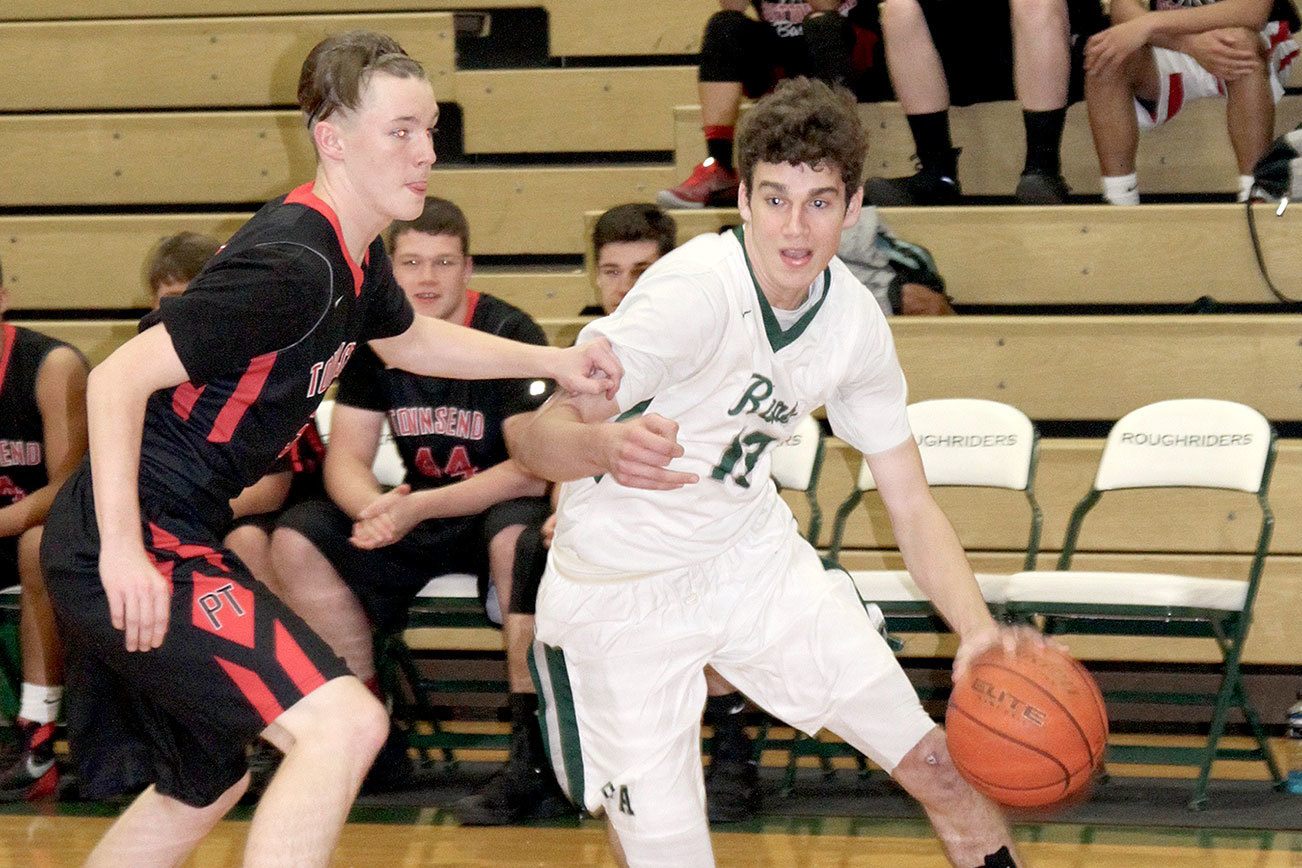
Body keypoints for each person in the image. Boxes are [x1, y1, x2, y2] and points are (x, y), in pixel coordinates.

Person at [38, 30, 620, 866]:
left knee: (204, 785)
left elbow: (414, 341)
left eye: (428, 130)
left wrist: (555, 359)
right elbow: (116, 379)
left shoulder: (351, 257)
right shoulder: (293, 266)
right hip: (133, 534)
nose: (424, 153)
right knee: (344, 724)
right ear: (333, 140)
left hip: (167, 529)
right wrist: (124, 552)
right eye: (400, 132)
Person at [506, 78, 1034, 866]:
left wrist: (978, 630)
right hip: (620, 595)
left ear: (853, 208)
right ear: (743, 200)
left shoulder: (854, 322)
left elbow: (911, 503)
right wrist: (603, 449)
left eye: (819, 202)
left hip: (750, 563)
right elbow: (530, 437)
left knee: (942, 767)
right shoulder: (689, 295)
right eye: (776, 198)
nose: (796, 226)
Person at [270, 196, 570, 821]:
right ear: (389, 269)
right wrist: (374, 509)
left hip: (494, 503)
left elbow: (532, 465)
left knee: (519, 544)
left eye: (443, 262)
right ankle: (369, 733)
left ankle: (532, 757)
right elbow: (346, 458)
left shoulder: (511, 334)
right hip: (416, 510)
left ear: (468, 269)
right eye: (411, 262)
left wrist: (415, 510)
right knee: (297, 540)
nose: (427, 278)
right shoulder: (373, 337)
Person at [146, 231, 322, 595]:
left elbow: (271, 489)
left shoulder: (262, 367)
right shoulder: (148, 372)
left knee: (245, 543)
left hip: (294, 504)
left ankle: (284, 645)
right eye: (172, 303)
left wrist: (181, 514)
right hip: (213, 503)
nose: (183, 317)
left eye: (195, 301)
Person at [866, 0, 1106, 206]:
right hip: (968, 50)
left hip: (1051, 45)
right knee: (899, 8)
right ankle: (937, 173)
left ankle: (1043, 170)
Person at [0, 257, 89, 803]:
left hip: (48, 528)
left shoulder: (50, 366)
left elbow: (69, 487)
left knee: (38, 546)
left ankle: (37, 737)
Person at [658, 1, 888, 209]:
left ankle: (835, 161)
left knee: (822, 25)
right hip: (782, 55)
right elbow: (732, 5)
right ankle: (719, 165)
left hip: (848, 48)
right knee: (724, 24)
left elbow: (824, 4)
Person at [1083, 0, 1300, 205]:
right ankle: (1119, 201)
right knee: (1105, 56)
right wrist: (1189, 44)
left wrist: (1150, 23)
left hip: (1249, 35)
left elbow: (1252, 12)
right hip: (1170, 39)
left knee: (1240, 43)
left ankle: (1255, 194)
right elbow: (1122, 8)